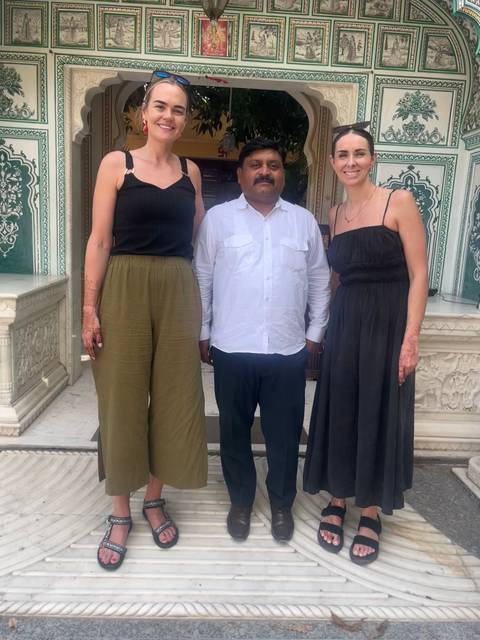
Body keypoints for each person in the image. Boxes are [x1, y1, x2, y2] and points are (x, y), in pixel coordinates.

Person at [82, 70, 208, 571]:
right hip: (125, 286)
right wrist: (90, 307)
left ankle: (154, 498)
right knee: (121, 396)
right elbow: (98, 240)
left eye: (177, 109)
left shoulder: (192, 173)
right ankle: (119, 512)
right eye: (160, 106)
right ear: (143, 113)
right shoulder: (118, 164)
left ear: (184, 119)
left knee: (176, 396)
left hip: (177, 287)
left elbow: (199, 235)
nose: (168, 116)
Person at [194, 138, 330, 543]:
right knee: (234, 432)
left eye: (272, 164)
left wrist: (314, 334)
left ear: (282, 174)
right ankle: (240, 501)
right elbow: (202, 278)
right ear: (241, 175)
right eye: (255, 165)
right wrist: (203, 331)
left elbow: (321, 280)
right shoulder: (218, 220)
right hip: (232, 348)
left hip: (287, 351)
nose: (264, 171)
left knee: (285, 434)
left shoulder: (303, 221)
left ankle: (282, 504)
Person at [303, 125, 428, 565]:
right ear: (333, 162)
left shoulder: (399, 202)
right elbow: (336, 278)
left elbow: (419, 276)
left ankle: (370, 509)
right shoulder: (334, 213)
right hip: (346, 323)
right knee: (340, 409)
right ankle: (337, 498)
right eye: (342, 154)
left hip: (388, 324)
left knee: (379, 411)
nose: (350, 161)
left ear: (372, 159)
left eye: (359, 153)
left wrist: (410, 340)